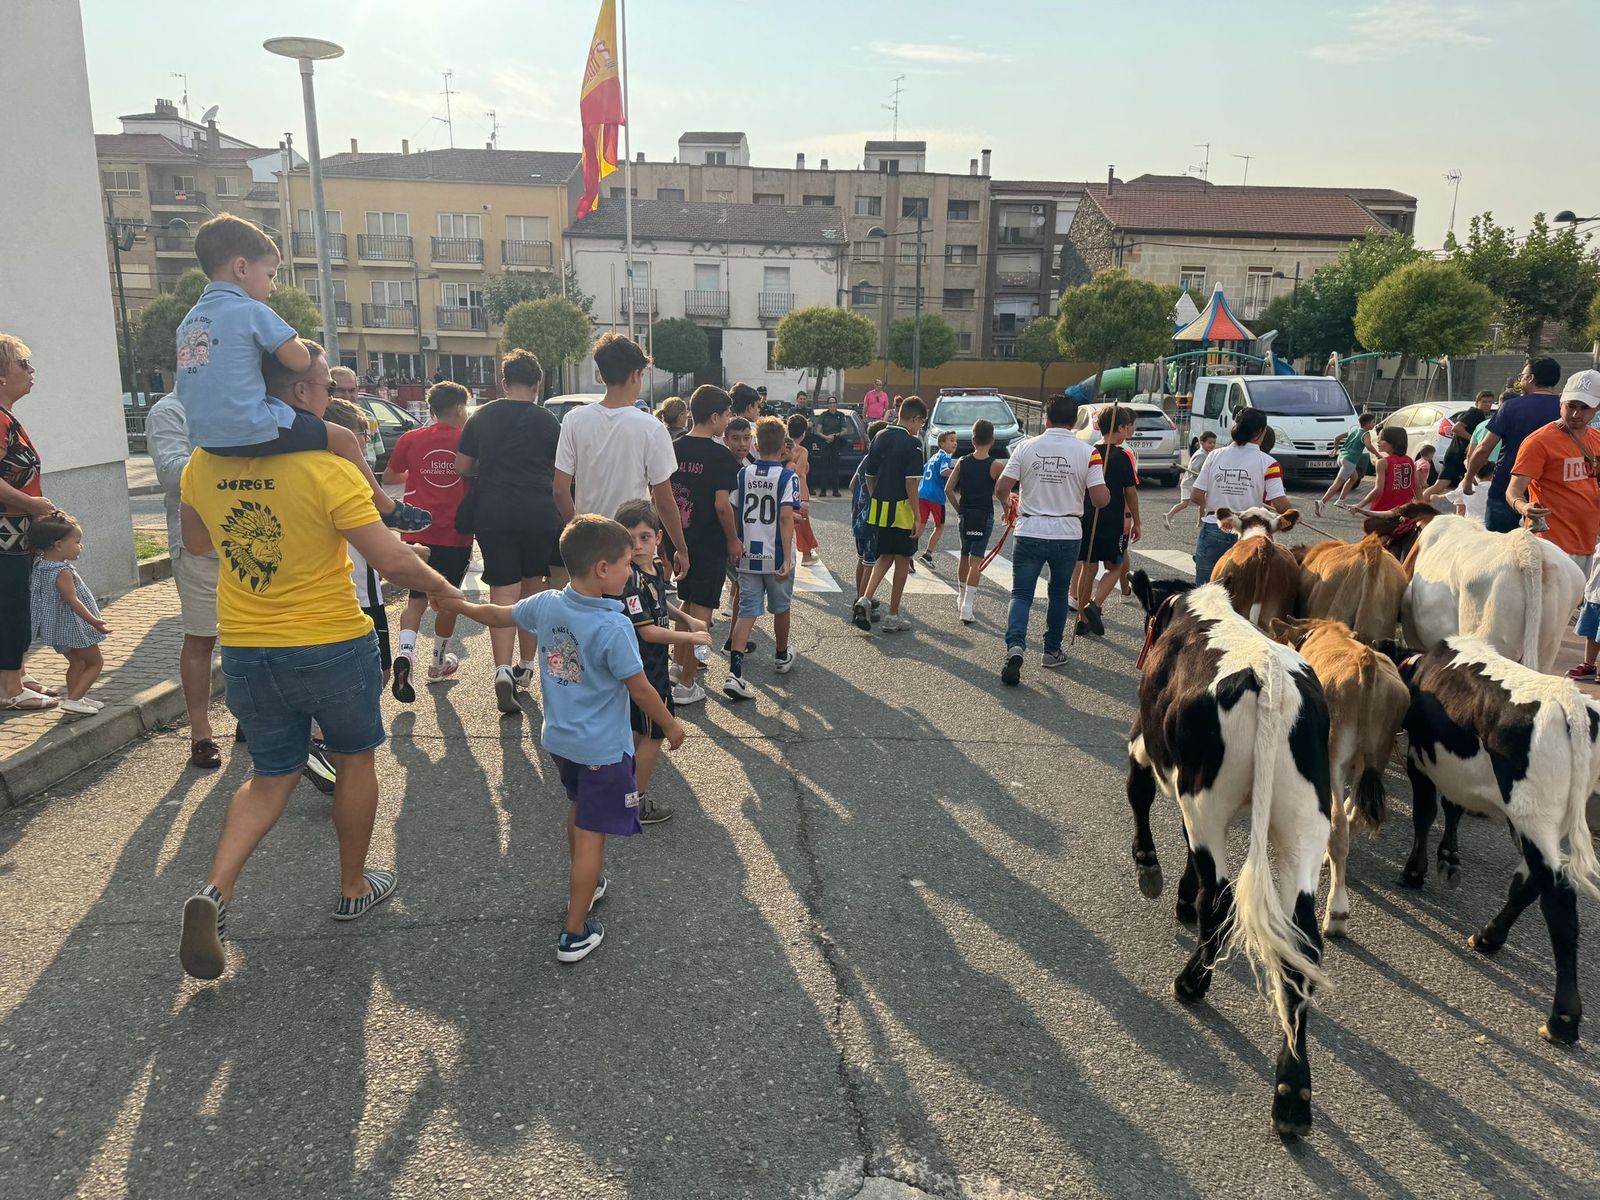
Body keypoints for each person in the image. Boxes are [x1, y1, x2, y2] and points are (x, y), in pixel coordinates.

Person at [176, 339, 459, 981]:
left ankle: (216, 891)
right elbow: (389, 559)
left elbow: (197, 543)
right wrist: (443, 589)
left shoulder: (202, 464)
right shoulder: (327, 470)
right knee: (354, 760)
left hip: (247, 645)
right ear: (300, 394)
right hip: (330, 640)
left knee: (271, 773)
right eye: (328, 387)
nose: (332, 399)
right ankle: (354, 884)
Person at [437, 515, 683, 963]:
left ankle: (586, 883)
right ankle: (574, 931)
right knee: (592, 834)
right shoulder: (614, 627)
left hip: (561, 741)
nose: (632, 571)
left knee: (579, 809)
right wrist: (670, 725)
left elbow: (498, 613)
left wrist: (458, 604)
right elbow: (641, 688)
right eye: (627, 563)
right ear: (604, 569)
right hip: (602, 749)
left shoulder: (549, 603)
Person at [175, 214, 431, 532]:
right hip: (252, 427)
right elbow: (299, 361)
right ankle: (387, 506)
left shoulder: (189, 321)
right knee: (344, 438)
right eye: (270, 275)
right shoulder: (252, 311)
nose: (273, 286)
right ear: (241, 268)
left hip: (205, 440)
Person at [458, 350, 565, 714]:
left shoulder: (482, 417)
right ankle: (527, 667)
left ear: (503, 383)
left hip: (493, 510)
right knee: (532, 588)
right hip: (538, 511)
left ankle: (502, 669)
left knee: (501, 591)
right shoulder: (549, 421)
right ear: (537, 384)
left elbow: (463, 465)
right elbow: (559, 470)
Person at [993, 394, 1110, 685]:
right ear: (1074, 422)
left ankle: (1015, 646)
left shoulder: (1025, 447)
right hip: (1067, 533)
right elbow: (1099, 499)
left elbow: (1001, 487)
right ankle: (1051, 650)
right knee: (1058, 593)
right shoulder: (1089, 453)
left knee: (1021, 594)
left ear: (1046, 418)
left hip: (1030, 529)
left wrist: (1009, 506)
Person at [554, 334, 688, 577]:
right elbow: (665, 501)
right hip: (634, 547)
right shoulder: (652, 428)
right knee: (636, 614)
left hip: (590, 547)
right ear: (636, 374)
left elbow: (560, 489)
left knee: (591, 613)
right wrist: (681, 548)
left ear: (601, 374)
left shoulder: (573, 420)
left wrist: (577, 529)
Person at [616, 499, 709, 823]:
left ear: (657, 537)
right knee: (656, 733)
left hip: (651, 666)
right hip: (643, 667)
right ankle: (634, 803)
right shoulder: (629, 580)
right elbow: (649, 632)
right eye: (630, 539)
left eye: (644, 537)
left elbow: (660, 605)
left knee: (640, 732)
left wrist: (687, 618)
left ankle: (622, 788)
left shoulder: (654, 568)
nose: (638, 546)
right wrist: (690, 638)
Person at [384, 381, 475, 701]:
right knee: (448, 600)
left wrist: (417, 475)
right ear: (460, 409)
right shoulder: (467, 441)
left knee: (415, 600)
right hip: (455, 534)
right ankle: (437, 663)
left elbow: (390, 478)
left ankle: (405, 654)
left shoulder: (411, 438)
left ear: (432, 409)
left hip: (416, 534)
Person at [147, 386, 223, 764]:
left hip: (248, 536)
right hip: (199, 548)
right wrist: (228, 452)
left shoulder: (233, 400)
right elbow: (171, 473)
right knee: (201, 639)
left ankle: (251, 718)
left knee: (252, 637)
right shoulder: (170, 410)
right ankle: (201, 732)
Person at [669, 385, 741, 705]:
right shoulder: (721, 456)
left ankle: (675, 665)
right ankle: (686, 683)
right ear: (714, 417)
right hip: (710, 541)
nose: (729, 420)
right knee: (702, 611)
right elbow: (722, 505)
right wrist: (733, 538)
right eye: (727, 415)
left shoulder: (674, 447)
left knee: (686, 604)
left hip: (679, 538)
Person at [0, 334, 58, 711]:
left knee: (15, 604)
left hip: (13, 534)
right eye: (23, 363)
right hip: (5, 534)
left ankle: (14, 675)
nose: (31, 370)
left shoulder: (7, 417)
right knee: (10, 606)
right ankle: (9, 689)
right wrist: (32, 504)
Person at [724, 416, 800, 698]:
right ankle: (781, 654)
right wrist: (788, 558)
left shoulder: (743, 474)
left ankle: (735, 672)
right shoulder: (787, 476)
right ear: (783, 447)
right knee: (781, 606)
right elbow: (784, 516)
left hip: (748, 552)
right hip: (776, 553)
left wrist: (736, 540)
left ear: (756, 443)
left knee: (747, 611)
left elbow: (734, 508)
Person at [1505, 369, 1600, 574]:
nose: (1576, 414)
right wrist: (1523, 507)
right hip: (1551, 547)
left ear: (1597, 407)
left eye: (1584, 408)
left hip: (1592, 545)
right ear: (1560, 401)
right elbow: (1513, 491)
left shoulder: (1597, 439)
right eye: (1571, 406)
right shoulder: (1539, 441)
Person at [852, 397, 928, 633]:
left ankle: (865, 598)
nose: (920, 428)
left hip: (880, 507)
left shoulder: (879, 436)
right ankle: (893, 614)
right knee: (902, 560)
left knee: (884, 555)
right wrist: (917, 516)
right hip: (903, 509)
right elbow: (911, 485)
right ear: (915, 419)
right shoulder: (913, 444)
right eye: (921, 423)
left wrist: (877, 497)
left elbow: (869, 475)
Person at [1189, 408, 1289, 586]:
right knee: (1242, 597)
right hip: (1249, 533)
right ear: (1260, 433)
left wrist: (1217, 504)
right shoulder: (1269, 463)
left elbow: (1196, 495)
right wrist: (1293, 515)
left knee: (1205, 597)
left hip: (1213, 529)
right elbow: (1280, 504)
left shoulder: (1214, 455)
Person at [25, 511, 108, 716]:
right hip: (73, 627)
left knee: (77, 662)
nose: (81, 546)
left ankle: (77, 696)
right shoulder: (62, 571)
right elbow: (72, 601)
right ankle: (74, 699)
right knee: (95, 663)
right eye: (77, 541)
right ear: (58, 545)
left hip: (56, 627)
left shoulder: (40, 564)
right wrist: (95, 621)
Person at [1467, 357, 1563, 533]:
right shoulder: (1564, 409)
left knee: (1498, 547)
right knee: (1543, 551)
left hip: (1506, 485)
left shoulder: (1511, 407)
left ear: (1531, 378)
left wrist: (1468, 479)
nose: (1521, 379)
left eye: (1523, 375)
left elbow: (1484, 449)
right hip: (1548, 491)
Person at [1072, 405, 1141, 638]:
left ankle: (1081, 619)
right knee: (1115, 566)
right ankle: (1095, 604)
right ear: (1120, 428)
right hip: (1112, 518)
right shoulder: (1122, 456)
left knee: (1088, 567)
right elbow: (1130, 492)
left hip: (1088, 516)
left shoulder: (1087, 452)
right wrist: (1137, 521)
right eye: (1126, 427)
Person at [944, 418, 1003, 623]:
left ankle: (961, 598)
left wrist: (959, 509)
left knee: (963, 555)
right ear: (992, 441)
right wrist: (1007, 510)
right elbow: (1002, 492)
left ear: (973, 439)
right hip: (984, 515)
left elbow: (948, 489)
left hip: (966, 515)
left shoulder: (962, 462)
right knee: (976, 560)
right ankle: (968, 607)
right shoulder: (995, 466)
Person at [850, 420, 890, 624]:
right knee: (869, 564)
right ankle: (862, 604)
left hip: (857, 517)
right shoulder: (878, 461)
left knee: (862, 560)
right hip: (871, 519)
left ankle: (860, 596)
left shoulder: (865, 459)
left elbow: (851, 485)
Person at [1314, 412, 1378, 516]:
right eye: (1373, 422)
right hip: (1350, 460)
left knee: (1354, 477)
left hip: (1341, 457)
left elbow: (1337, 438)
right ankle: (1322, 501)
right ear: (1367, 423)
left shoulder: (1353, 429)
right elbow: (1369, 446)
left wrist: (1335, 449)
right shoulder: (1366, 434)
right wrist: (1378, 455)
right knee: (1338, 483)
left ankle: (1341, 500)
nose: (1374, 424)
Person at [1352, 425, 1417, 515]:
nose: (1378, 442)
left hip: (1383, 510)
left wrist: (1359, 505)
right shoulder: (1410, 461)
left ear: (1393, 442)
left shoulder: (1383, 462)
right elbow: (1416, 486)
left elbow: (1378, 490)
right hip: (1404, 511)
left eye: (1382, 439)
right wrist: (1422, 506)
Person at [1425, 406, 1486, 500]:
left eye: (1490, 401)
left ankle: (1461, 512)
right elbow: (1456, 428)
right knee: (1441, 486)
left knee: (1465, 487)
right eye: (1484, 402)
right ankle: (1418, 506)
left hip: (1463, 456)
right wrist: (1473, 440)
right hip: (1457, 455)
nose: (1487, 404)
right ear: (1477, 403)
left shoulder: (1481, 416)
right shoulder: (1475, 413)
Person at [917, 430, 957, 566]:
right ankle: (928, 554)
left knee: (921, 523)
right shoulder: (945, 456)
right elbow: (943, 471)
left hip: (922, 493)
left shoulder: (933, 457)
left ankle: (908, 552)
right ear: (942, 443)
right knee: (939, 526)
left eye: (955, 440)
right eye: (951, 440)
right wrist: (958, 473)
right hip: (935, 496)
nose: (955, 443)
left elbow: (924, 469)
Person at [786, 413, 821, 566]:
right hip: (798, 490)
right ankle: (806, 553)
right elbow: (799, 473)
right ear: (803, 433)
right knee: (802, 522)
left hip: (782, 488)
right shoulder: (801, 451)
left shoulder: (782, 446)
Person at [1165, 431, 1216, 525]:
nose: (1212, 445)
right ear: (1201, 442)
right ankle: (1200, 523)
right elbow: (1194, 468)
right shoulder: (1201, 455)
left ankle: (1169, 515)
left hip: (1187, 483)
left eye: (1214, 443)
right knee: (1203, 503)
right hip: (1192, 484)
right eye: (1209, 443)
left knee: (1184, 504)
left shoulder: (1203, 453)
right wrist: (1203, 475)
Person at [813, 394, 851, 497]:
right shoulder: (823, 415)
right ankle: (823, 491)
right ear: (827, 405)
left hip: (836, 444)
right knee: (824, 468)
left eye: (834, 403)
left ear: (836, 404)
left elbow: (845, 430)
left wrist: (834, 436)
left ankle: (835, 491)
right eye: (830, 403)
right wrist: (826, 437)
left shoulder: (841, 415)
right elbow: (818, 431)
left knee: (835, 469)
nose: (832, 405)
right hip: (825, 444)